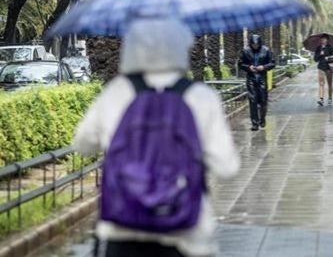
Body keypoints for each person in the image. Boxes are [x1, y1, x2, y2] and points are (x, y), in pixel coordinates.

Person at [74, 18, 239, 257]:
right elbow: (227, 168)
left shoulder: (117, 92)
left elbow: (82, 145)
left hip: (122, 229)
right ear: (182, 47)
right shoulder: (201, 96)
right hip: (186, 235)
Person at [238, 34, 275, 131]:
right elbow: (240, 63)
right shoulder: (246, 51)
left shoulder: (266, 50)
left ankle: (262, 118)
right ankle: (255, 123)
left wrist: (264, 67)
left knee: (263, 100)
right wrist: (248, 67)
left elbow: (272, 63)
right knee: (252, 100)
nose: (255, 46)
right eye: (253, 44)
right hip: (251, 78)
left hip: (262, 77)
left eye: (257, 44)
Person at [314, 34, 333, 106]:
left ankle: (330, 98)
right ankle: (321, 99)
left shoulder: (331, 48)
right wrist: (320, 54)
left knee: (330, 84)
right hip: (321, 67)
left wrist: (328, 58)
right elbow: (315, 59)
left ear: (327, 40)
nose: (322, 40)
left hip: (329, 68)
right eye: (321, 39)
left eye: (324, 39)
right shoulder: (318, 48)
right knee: (321, 83)